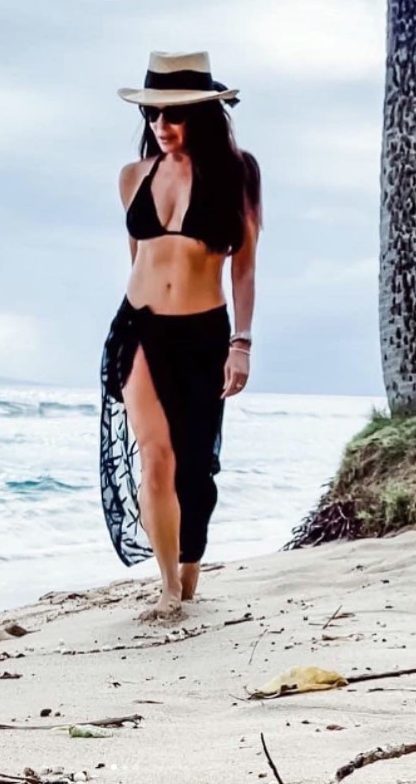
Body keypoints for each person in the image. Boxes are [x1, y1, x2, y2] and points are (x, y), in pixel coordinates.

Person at [99, 51, 261, 622]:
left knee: (195, 468)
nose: (160, 125)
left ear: (202, 115)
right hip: (139, 329)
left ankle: (189, 565)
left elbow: (244, 267)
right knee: (157, 458)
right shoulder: (133, 177)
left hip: (204, 334)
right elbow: (138, 259)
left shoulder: (237, 174)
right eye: (152, 115)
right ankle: (167, 586)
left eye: (174, 115)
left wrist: (241, 343)